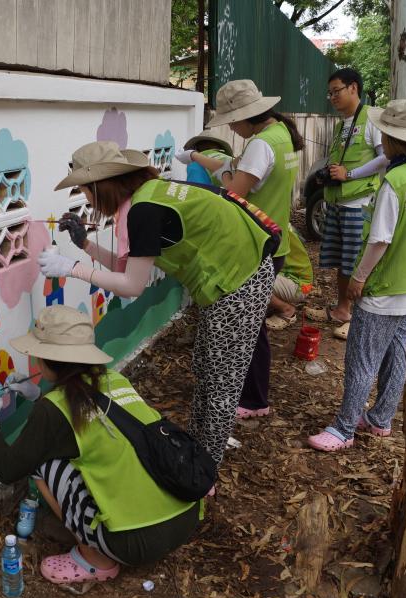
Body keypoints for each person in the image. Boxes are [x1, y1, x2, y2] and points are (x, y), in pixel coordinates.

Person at [38, 141, 279, 466]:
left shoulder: (144, 210)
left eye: (85, 190)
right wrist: (84, 245)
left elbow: (131, 286)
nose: (86, 199)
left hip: (242, 276)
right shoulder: (147, 196)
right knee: (206, 368)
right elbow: (129, 269)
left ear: (101, 185)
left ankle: (204, 471)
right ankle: (199, 448)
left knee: (221, 380)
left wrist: (71, 269)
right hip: (229, 276)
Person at [0, 305, 200, 585]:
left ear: (46, 360)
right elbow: (82, 420)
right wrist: (39, 397)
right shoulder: (114, 379)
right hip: (186, 514)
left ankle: (95, 560)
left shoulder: (54, 409)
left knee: (41, 463)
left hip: (136, 542)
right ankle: (100, 534)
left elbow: (7, 468)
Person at [307, 99, 406, 451]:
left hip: (382, 286)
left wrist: (359, 279)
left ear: (393, 140)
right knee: (396, 355)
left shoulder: (394, 180)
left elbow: (379, 239)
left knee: (361, 359)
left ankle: (344, 428)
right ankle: (380, 420)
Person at [179, 79, 303, 419]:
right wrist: (199, 158)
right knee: (253, 322)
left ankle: (253, 400)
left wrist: (201, 180)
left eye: (233, 120)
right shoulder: (281, 136)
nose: (231, 127)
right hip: (275, 239)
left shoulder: (262, 145)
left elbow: (235, 190)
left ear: (250, 116)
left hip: (256, 242)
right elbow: (239, 169)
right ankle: (252, 395)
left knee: (250, 327)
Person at [305, 68, 389, 340]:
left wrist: (349, 174)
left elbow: (384, 157)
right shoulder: (343, 124)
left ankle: (359, 318)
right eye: (329, 93)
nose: (332, 97)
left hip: (359, 203)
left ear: (354, 88)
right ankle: (343, 309)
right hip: (338, 202)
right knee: (342, 261)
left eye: (336, 91)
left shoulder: (372, 119)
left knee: (357, 263)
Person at [266, 224, 314, 331]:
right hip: (297, 281)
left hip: (299, 285)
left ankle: (286, 310)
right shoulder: (277, 220)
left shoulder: (268, 225)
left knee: (251, 282)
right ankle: (274, 303)